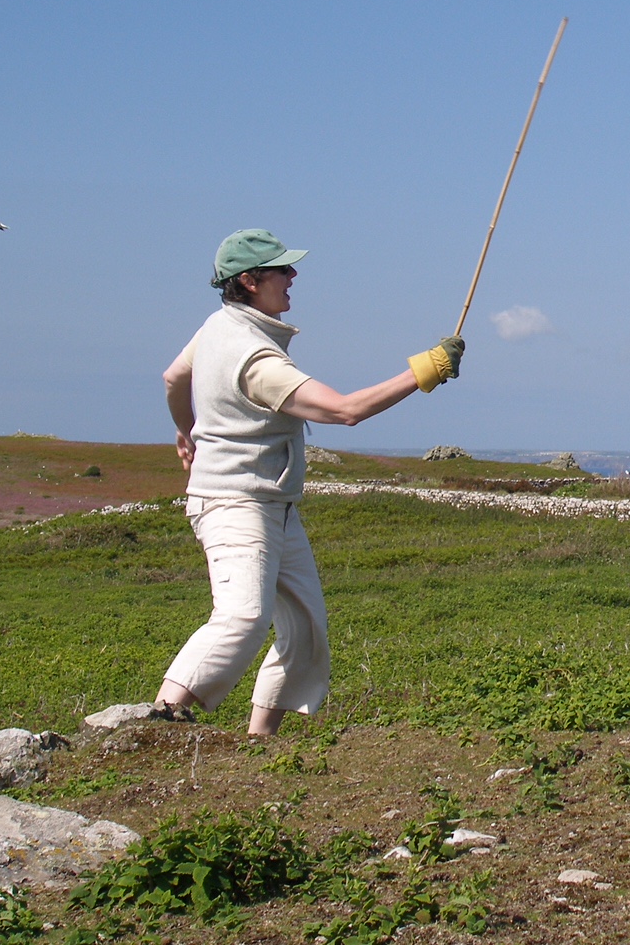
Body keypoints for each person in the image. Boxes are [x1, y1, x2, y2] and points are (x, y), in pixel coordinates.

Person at [155, 228, 464, 735]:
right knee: (242, 619)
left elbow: (173, 378)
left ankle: (261, 741)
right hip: (236, 504)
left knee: (305, 630)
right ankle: (158, 722)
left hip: (272, 504)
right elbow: (345, 412)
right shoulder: (254, 360)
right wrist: (426, 369)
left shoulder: (218, 326)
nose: (293, 276)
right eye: (282, 270)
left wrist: (184, 430)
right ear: (251, 281)